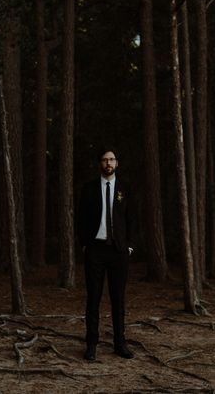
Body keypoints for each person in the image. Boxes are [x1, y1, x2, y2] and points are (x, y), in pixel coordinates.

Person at [76, 147, 136, 361]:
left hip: (119, 251)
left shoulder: (124, 188)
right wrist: (85, 245)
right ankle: (91, 344)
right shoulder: (89, 189)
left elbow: (131, 218)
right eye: (104, 160)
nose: (108, 163)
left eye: (111, 159)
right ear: (99, 164)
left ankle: (120, 344)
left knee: (118, 299)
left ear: (117, 163)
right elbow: (81, 218)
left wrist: (129, 246)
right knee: (93, 298)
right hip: (96, 250)